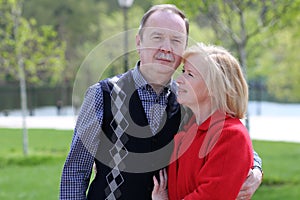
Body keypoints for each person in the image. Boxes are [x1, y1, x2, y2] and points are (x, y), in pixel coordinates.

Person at [60, 4, 262, 200]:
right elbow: (75, 171)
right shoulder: (101, 95)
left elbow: (230, 141)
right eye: (157, 37)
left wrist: (255, 169)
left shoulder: (190, 100)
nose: (166, 48)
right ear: (139, 42)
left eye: (176, 40)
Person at [152, 43, 259, 200]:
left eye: (190, 74)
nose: (179, 80)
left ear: (214, 87)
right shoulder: (189, 130)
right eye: (183, 71)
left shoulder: (231, 135)